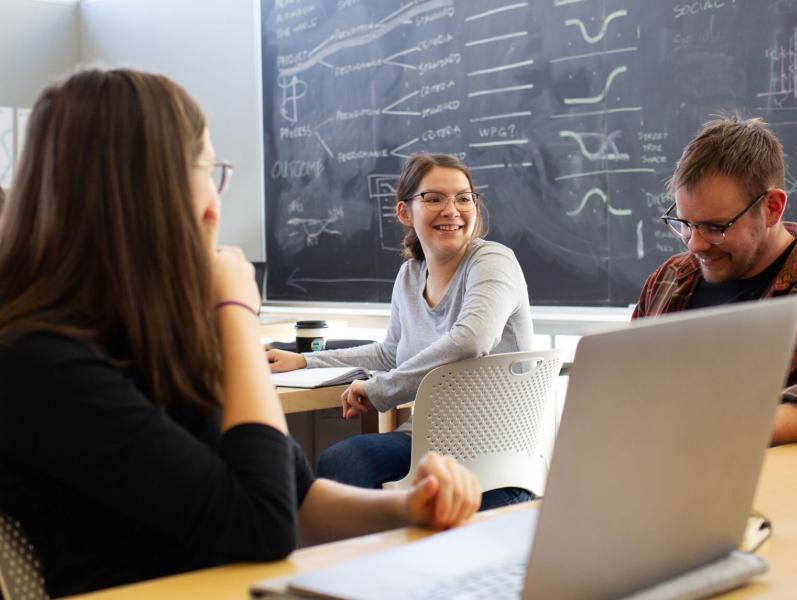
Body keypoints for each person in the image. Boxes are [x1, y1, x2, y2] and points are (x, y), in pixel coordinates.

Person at [0, 69, 480, 597]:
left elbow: (298, 502)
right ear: (151, 188)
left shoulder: (157, 337)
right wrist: (234, 311)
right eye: (208, 168)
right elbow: (265, 527)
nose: (216, 197)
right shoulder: (39, 363)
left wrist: (409, 506)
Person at [267, 153, 535, 508]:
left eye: (463, 197)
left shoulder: (493, 261)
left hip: (495, 457)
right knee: (341, 460)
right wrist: (304, 361)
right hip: (425, 444)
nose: (452, 210)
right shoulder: (410, 276)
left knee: (436, 542)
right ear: (404, 212)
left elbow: (472, 340)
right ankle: (355, 561)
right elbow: (389, 352)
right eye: (434, 198)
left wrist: (382, 389)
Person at [633, 115, 797, 444]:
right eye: (684, 222)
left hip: (777, 491)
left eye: (715, 227)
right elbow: (631, 385)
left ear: (772, 208)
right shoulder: (667, 281)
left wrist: (717, 429)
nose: (694, 243)